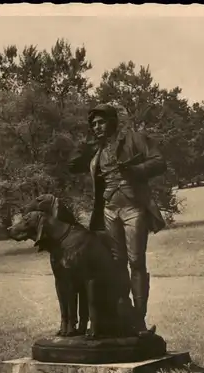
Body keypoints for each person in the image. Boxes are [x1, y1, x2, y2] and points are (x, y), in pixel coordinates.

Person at [68, 103, 167, 332]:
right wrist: (87, 143)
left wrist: (136, 170)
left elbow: (159, 162)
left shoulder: (135, 138)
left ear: (113, 121)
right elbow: (73, 165)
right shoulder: (97, 149)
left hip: (133, 208)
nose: (96, 127)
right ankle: (126, 317)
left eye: (101, 122)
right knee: (116, 264)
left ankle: (140, 320)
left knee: (136, 261)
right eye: (93, 124)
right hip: (108, 211)